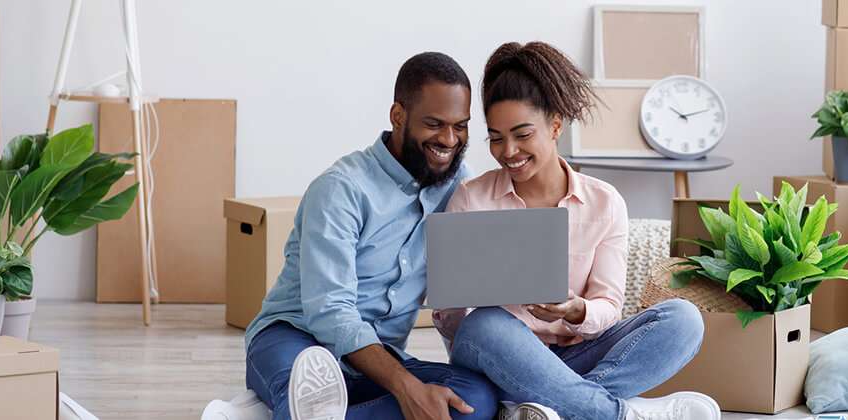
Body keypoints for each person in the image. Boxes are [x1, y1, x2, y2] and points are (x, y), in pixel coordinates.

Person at [433, 41, 721, 420]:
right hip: (498, 357)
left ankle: (544, 406)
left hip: (578, 355)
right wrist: (484, 339)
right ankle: (618, 414)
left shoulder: (604, 202)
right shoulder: (471, 199)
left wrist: (575, 310)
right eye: (497, 138)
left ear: (555, 125)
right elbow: (450, 313)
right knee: (484, 324)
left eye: (522, 134)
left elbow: (608, 305)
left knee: (683, 319)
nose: (509, 151)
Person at [244, 51, 498, 420]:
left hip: (378, 357)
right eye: (434, 123)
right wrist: (406, 387)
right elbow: (330, 312)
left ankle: (328, 413)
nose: (449, 139)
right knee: (304, 394)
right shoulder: (341, 189)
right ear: (398, 116)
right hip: (295, 338)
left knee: (475, 399)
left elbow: (473, 279)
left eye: (461, 126)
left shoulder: (459, 184)